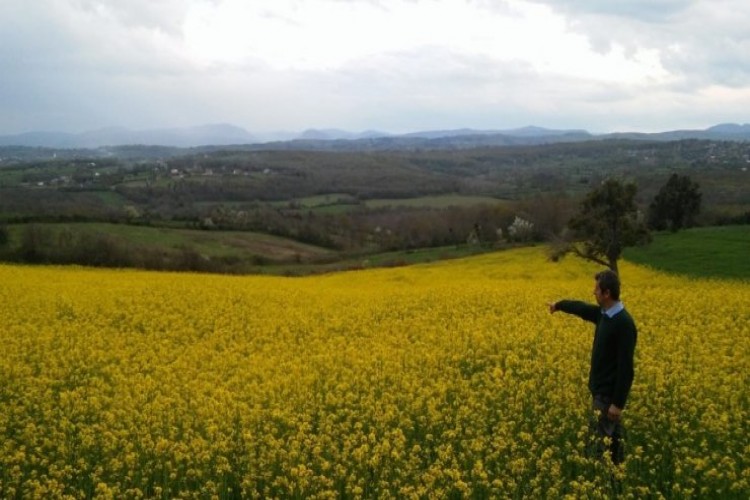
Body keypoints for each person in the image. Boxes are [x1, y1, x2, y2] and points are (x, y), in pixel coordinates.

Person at [548, 270, 637, 465]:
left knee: (597, 446)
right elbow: (581, 308)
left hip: (607, 397)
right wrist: (559, 305)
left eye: (596, 289)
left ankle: (600, 481)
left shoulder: (623, 323)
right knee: (614, 445)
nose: (593, 292)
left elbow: (626, 368)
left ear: (606, 293)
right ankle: (617, 483)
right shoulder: (603, 315)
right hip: (601, 393)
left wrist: (618, 403)